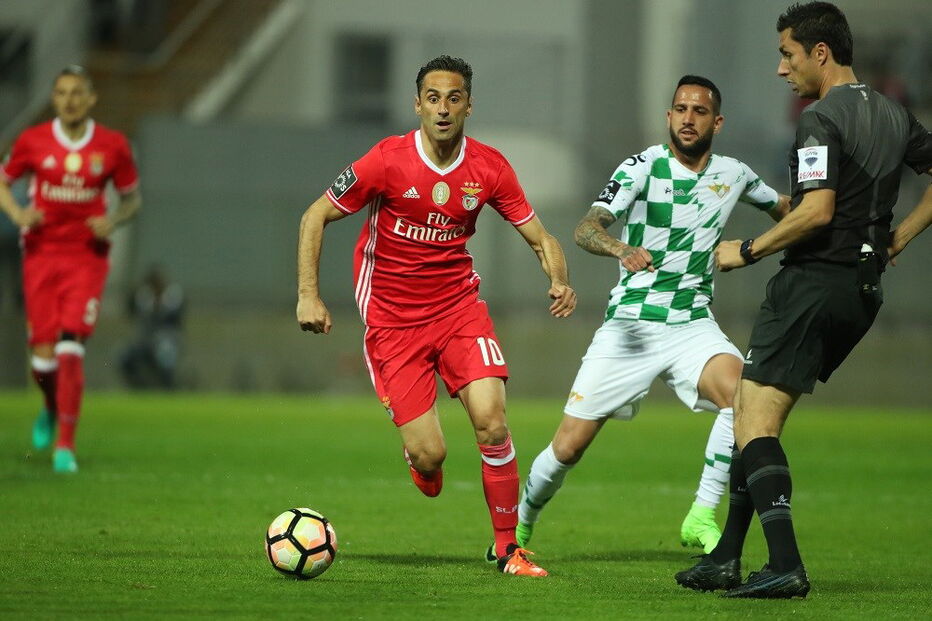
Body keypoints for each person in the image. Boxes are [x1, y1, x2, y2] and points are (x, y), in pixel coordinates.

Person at [676, 1, 932, 599]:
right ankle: (725, 556)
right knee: (750, 414)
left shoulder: (821, 117)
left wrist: (751, 248)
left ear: (821, 53)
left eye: (787, 55)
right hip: (862, 289)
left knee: (755, 421)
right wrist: (899, 235)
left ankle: (785, 563)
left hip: (815, 281)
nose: (781, 69)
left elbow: (815, 210)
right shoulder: (894, 112)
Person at [296, 55, 576, 577]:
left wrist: (558, 277)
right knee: (430, 457)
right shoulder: (386, 159)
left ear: (469, 104)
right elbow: (316, 215)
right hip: (393, 320)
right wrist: (308, 295)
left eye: (453, 98)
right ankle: (419, 459)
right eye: (432, 97)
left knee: (493, 421)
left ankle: (506, 548)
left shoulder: (490, 167)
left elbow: (542, 237)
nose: (442, 109)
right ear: (416, 103)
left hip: (458, 310)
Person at [515, 75, 790, 557]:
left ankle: (701, 515)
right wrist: (620, 247)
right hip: (631, 327)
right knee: (568, 448)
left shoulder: (735, 173)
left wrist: (836, 228)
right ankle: (521, 522)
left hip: (692, 325)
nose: (688, 118)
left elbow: (788, 212)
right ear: (668, 116)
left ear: (716, 122)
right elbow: (586, 228)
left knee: (743, 398)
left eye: (699, 111)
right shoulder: (641, 166)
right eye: (680, 109)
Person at [0, 65, 141, 473]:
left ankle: (66, 445)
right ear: (54, 98)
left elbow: (133, 200)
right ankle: (48, 408)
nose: (69, 100)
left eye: (77, 93)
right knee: (42, 361)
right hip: (41, 255)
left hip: (86, 257)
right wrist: (17, 213)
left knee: (69, 348)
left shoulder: (113, 146)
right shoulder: (33, 141)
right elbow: (3, 181)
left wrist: (113, 220)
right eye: (61, 93)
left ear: (91, 98)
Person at [119, 265, 184, 390]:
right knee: (123, 356)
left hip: (167, 338)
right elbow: (130, 311)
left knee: (166, 354)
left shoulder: (172, 296)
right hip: (144, 340)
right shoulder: (143, 297)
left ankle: (167, 389)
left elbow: (176, 319)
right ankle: (138, 387)